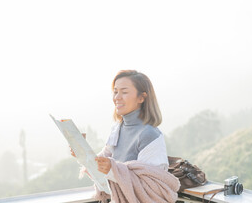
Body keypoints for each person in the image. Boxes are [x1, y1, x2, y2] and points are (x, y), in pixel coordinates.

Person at [73, 70, 179, 202]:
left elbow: (152, 186)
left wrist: (113, 169)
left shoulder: (150, 135)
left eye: (124, 92)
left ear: (141, 98)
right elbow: (102, 164)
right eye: (116, 91)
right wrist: (82, 153)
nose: (117, 97)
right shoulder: (117, 128)